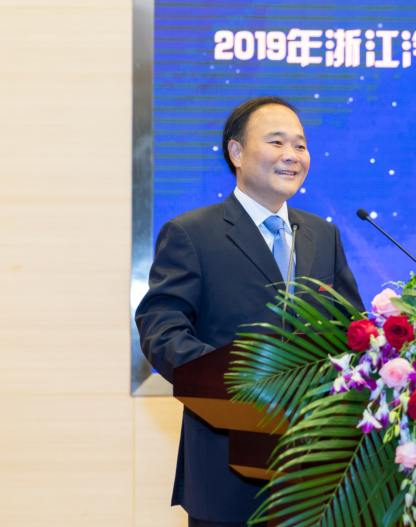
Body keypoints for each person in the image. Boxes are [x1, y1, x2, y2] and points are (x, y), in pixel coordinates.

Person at [136, 96, 365, 526]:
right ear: (236, 152)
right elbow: (161, 330)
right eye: (276, 142)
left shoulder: (323, 235)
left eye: (300, 145)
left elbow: (354, 333)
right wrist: (241, 385)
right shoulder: (191, 233)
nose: (292, 155)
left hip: (322, 476)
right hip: (227, 467)